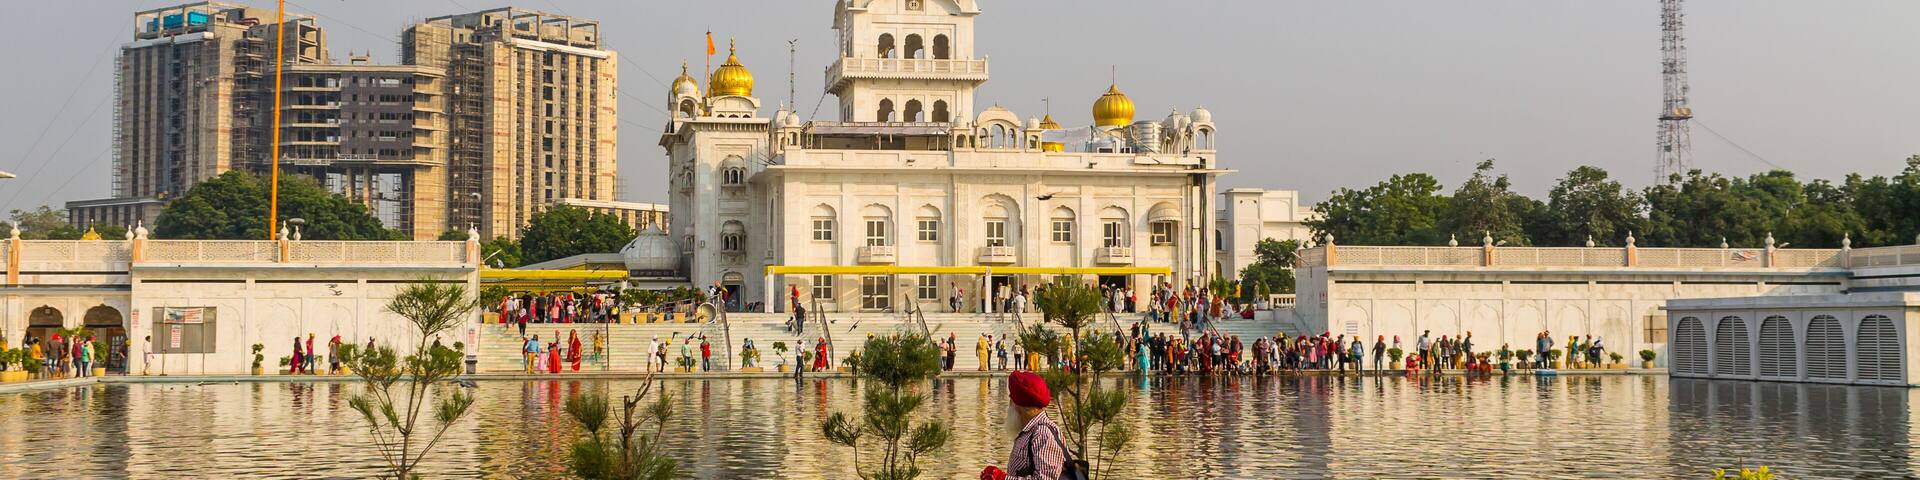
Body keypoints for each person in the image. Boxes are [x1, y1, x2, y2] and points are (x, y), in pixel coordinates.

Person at [982, 371, 1069, 480]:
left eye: (1011, 401)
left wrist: (1003, 478)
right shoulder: (1030, 431)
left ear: (1019, 406)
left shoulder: (1043, 434)